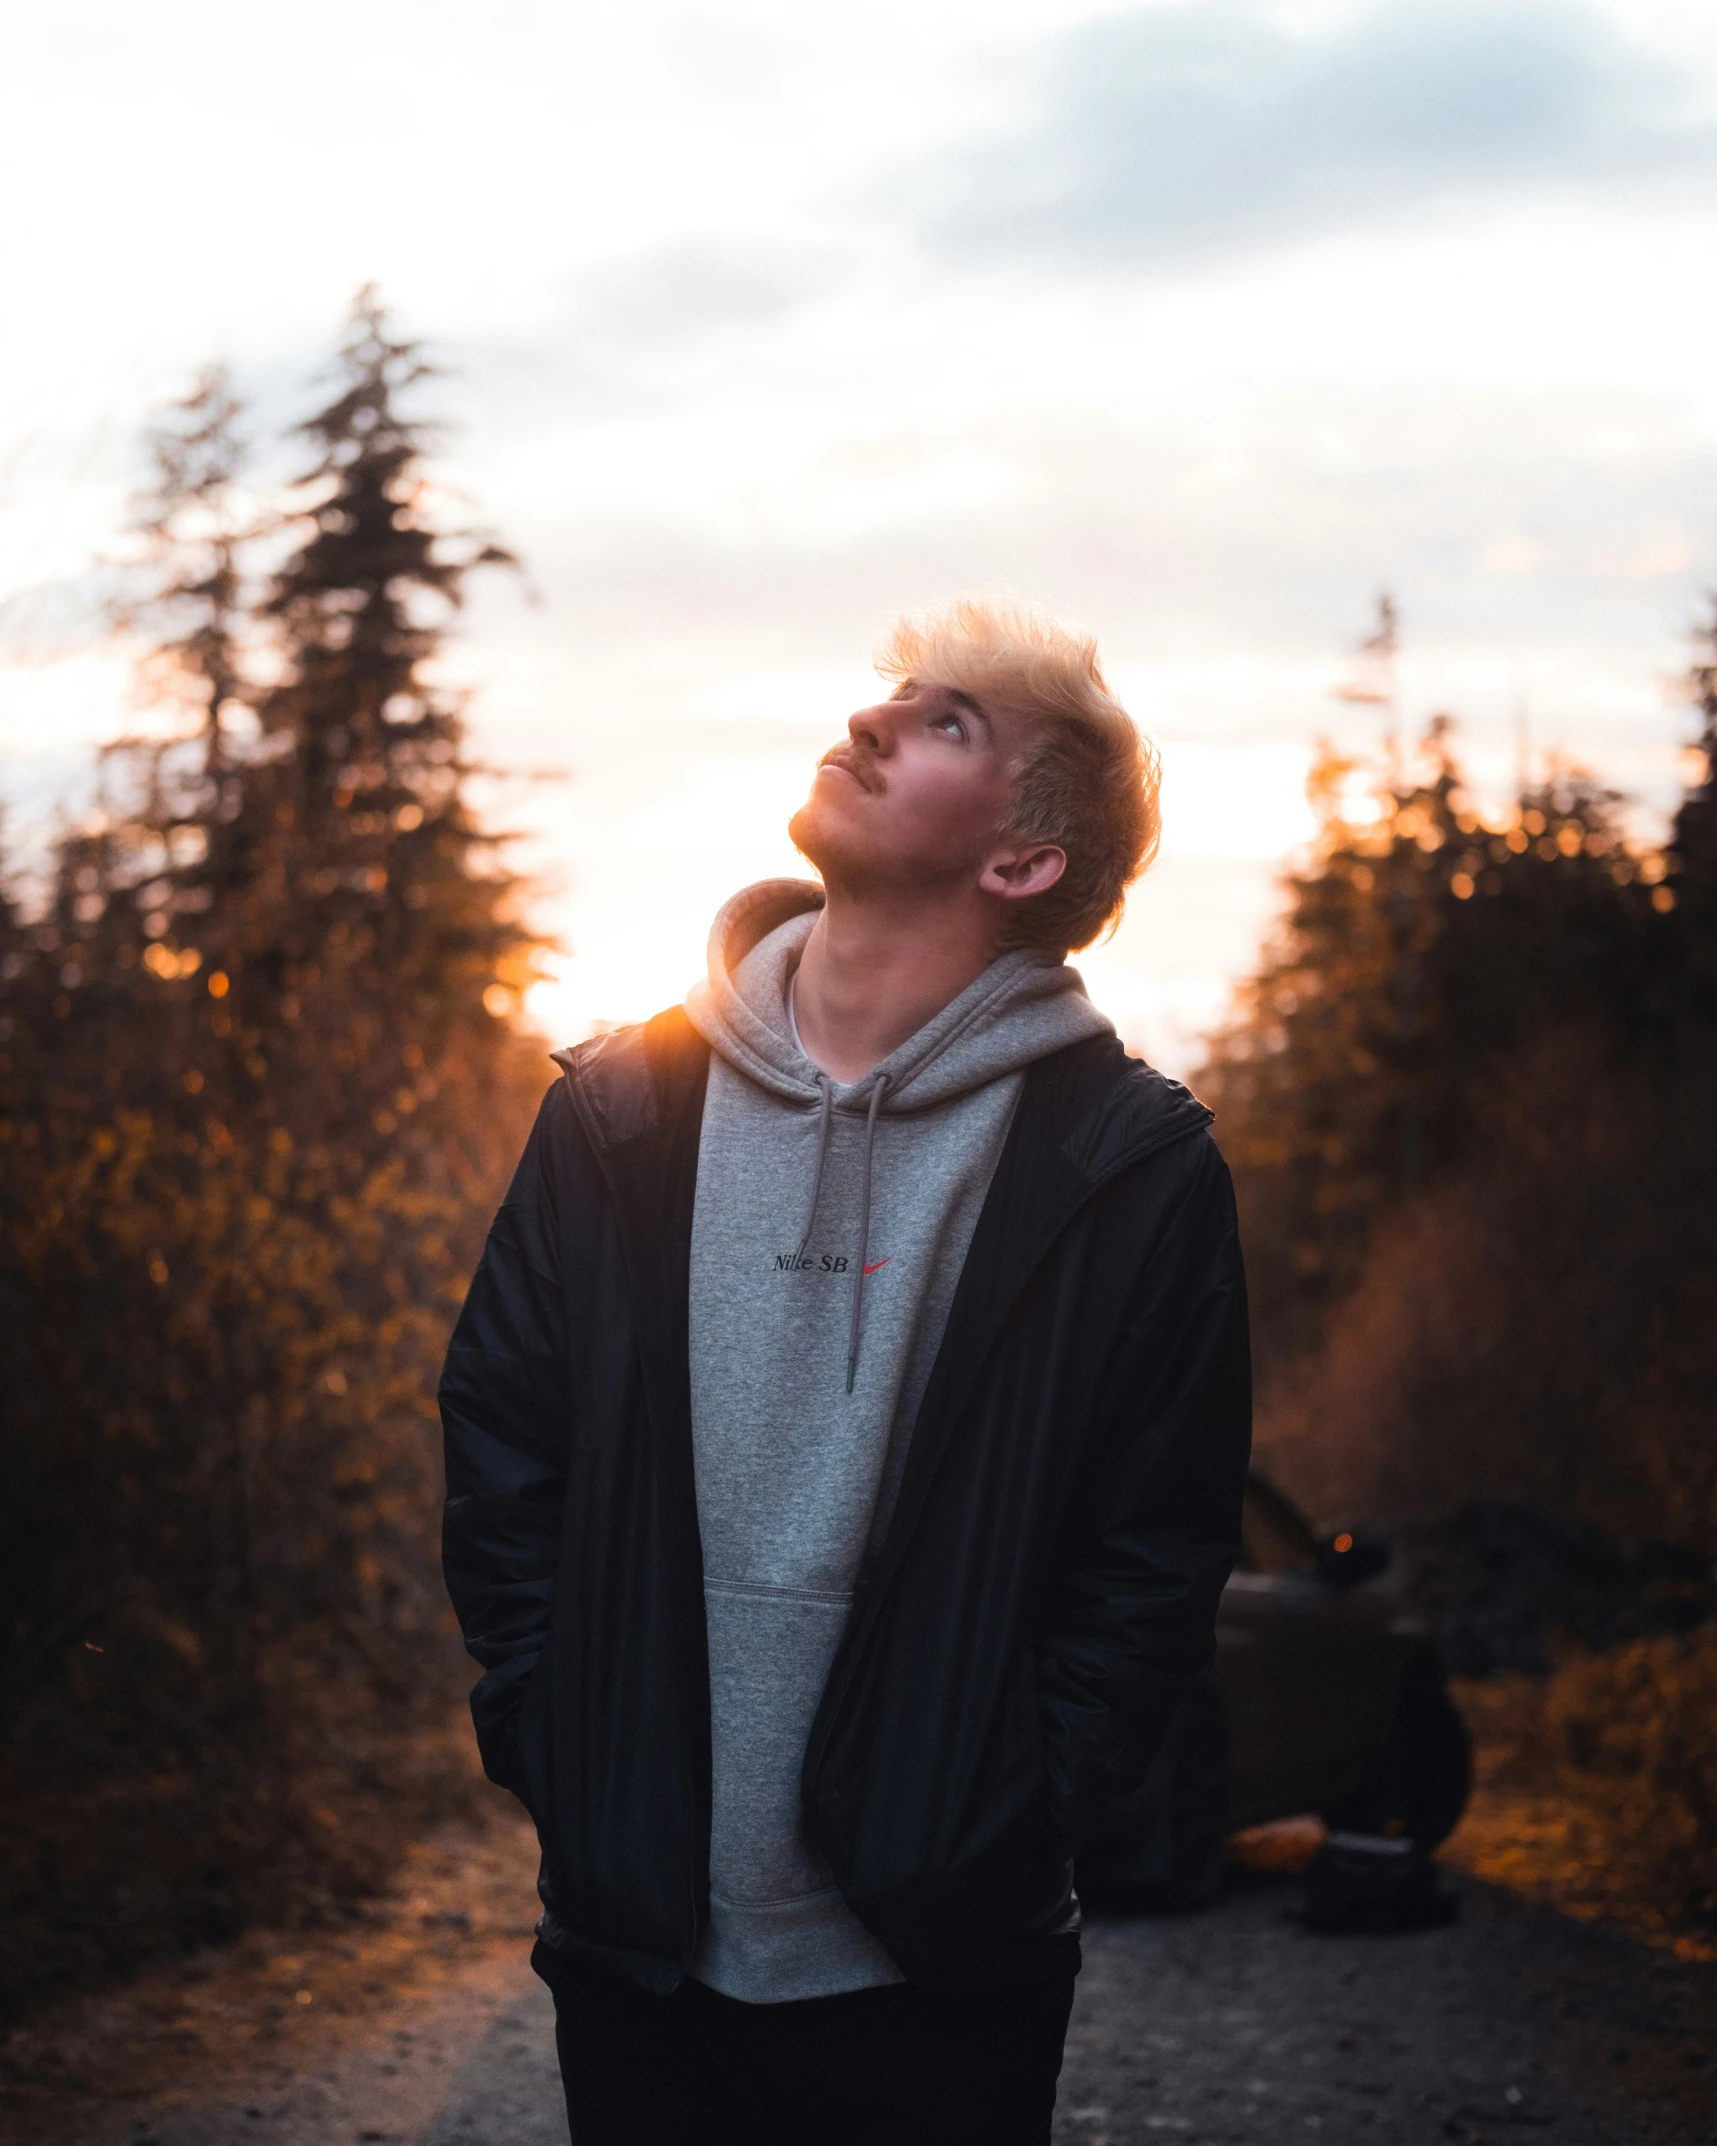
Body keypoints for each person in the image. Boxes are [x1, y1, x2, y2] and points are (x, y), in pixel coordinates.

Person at [439, 597, 1251, 2145]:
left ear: (1024, 861)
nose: (875, 719)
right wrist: (554, 1735)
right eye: (894, 695)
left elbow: (1155, 1558)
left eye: (949, 723)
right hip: (640, 1948)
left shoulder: (1125, 1168)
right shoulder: (620, 1111)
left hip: (944, 1970)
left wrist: (1001, 1816)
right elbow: (502, 1441)